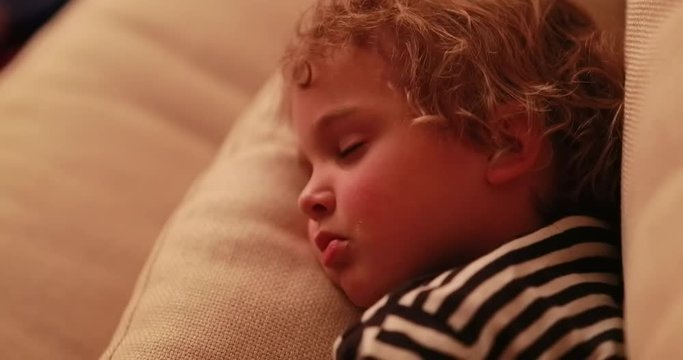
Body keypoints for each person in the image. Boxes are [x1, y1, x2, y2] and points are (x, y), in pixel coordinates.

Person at [282, 0, 624, 358]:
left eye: (349, 148)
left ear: (502, 142)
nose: (307, 197)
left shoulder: (420, 329)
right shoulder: (605, 270)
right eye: (308, 169)